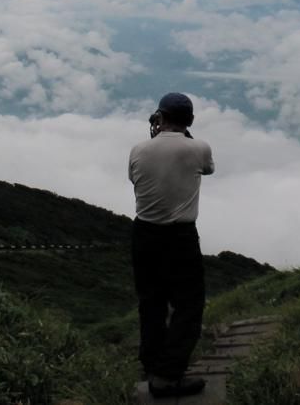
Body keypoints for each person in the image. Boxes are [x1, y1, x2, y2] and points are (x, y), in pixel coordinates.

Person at [129, 92, 215, 398]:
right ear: (190, 121)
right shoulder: (199, 148)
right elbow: (208, 169)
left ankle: (152, 366)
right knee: (188, 304)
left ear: (159, 118)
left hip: (143, 234)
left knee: (151, 302)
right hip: (179, 237)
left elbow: (134, 179)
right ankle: (168, 375)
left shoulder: (138, 150)